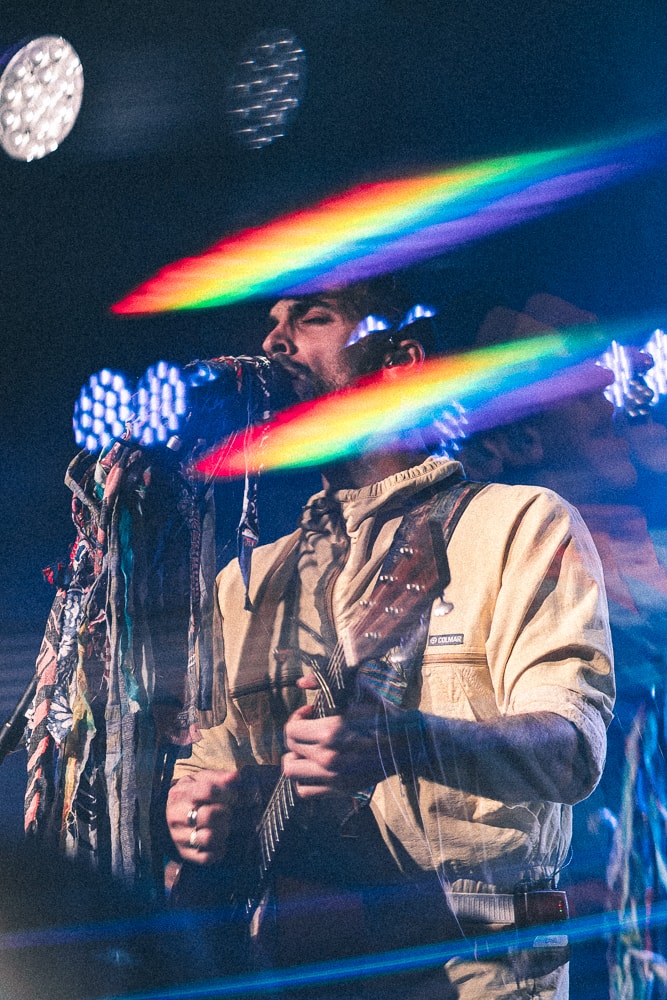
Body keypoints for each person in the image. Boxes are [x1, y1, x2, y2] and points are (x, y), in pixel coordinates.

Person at [166, 277, 614, 999]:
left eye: (312, 318)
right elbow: (210, 764)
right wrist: (194, 807)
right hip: (300, 964)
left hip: (485, 968)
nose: (274, 341)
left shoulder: (520, 524)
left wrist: (403, 741)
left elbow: (574, 752)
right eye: (271, 323)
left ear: (400, 358)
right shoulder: (243, 581)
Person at [455, 293, 667, 1000]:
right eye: (586, 391)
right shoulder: (474, 584)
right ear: (518, 441)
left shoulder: (653, 551)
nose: (617, 404)